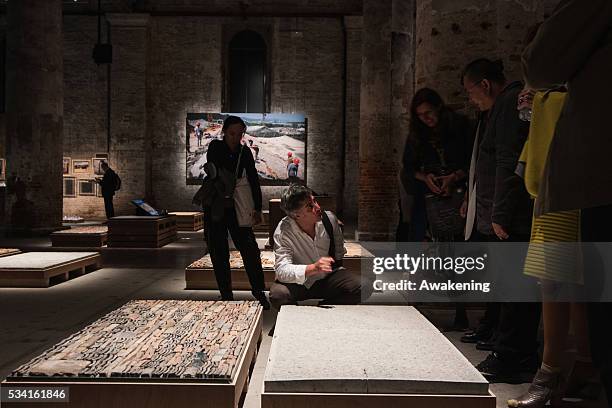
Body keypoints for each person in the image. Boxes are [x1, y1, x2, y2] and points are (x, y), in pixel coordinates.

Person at [522, 1, 612, 405]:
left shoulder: (554, 91)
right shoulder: (544, 98)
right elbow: (535, 150)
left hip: (579, 192)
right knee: (563, 284)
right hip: (557, 195)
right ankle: (567, 369)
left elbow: (541, 63)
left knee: (572, 286)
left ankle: (560, 371)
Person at [461, 58, 541, 383]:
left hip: (510, 214)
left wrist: (500, 212)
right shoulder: (505, 104)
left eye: (470, 92)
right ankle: (512, 351)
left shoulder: (509, 103)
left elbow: (509, 160)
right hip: (506, 211)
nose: (471, 99)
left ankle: (511, 357)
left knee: (514, 288)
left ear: (485, 85)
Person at [399, 87, 474, 329]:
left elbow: (473, 161)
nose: (427, 119)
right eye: (421, 115)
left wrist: (454, 177)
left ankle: (460, 310)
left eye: (429, 113)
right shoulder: (417, 136)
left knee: (457, 256)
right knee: (419, 251)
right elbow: (409, 168)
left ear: (439, 108)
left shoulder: (461, 127)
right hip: (426, 201)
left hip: (458, 197)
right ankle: (417, 306)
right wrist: (425, 178)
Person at [204, 115, 269, 309]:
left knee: (249, 250)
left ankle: (259, 292)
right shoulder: (215, 147)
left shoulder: (245, 152)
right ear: (225, 132)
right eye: (232, 133)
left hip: (238, 206)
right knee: (219, 251)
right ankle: (226, 294)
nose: (235, 137)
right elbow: (215, 169)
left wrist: (257, 207)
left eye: (239, 134)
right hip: (216, 206)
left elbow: (253, 179)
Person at [269, 184, 370, 309]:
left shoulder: (329, 219)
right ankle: (296, 319)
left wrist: (337, 272)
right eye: (310, 206)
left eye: (315, 201)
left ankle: (323, 310)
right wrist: (313, 268)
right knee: (278, 295)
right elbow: (281, 270)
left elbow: (339, 251)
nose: (318, 207)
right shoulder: (284, 231)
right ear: (297, 215)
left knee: (363, 286)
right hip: (299, 283)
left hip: (326, 279)